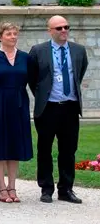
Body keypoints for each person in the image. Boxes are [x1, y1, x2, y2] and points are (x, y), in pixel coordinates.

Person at [28, 15, 90, 204]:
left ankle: (66, 189)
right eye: (59, 28)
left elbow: (80, 72)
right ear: (50, 31)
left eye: (66, 27)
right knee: (44, 149)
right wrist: (43, 96)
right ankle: (46, 188)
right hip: (48, 108)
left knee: (68, 150)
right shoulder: (38, 51)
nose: (64, 31)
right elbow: (33, 78)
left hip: (70, 108)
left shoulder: (78, 51)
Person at [0, 23, 33, 203]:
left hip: (19, 102)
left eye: (15, 33)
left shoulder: (25, 57)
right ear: (0, 37)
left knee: (15, 144)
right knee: (0, 144)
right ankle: (1, 187)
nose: (13, 36)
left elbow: (32, 80)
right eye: (9, 34)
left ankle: (12, 186)